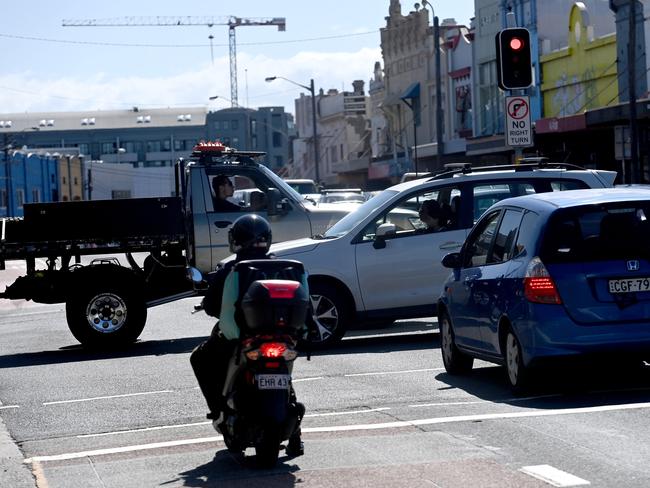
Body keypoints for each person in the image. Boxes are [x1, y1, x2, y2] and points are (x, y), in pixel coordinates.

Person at [190, 214, 273, 419]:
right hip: (276, 331)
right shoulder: (278, 267)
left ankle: (219, 410)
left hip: (240, 334)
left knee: (199, 358)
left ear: (236, 240)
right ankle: (295, 433)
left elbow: (210, 305)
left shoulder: (231, 269)